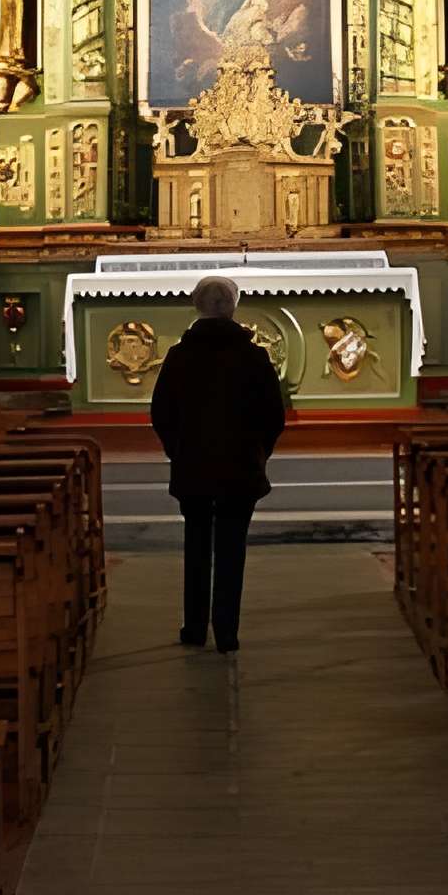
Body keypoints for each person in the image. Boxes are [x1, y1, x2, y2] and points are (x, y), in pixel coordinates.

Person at [146, 276, 288, 652]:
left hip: (193, 464)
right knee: (232, 548)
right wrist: (259, 453)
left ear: (198, 307)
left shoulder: (180, 356)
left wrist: (177, 450)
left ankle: (194, 627)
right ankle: (227, 631)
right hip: (240, 465)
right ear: (233, 306)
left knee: (196, 546)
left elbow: (160, 412)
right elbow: (274, 416)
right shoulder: (254, 356)